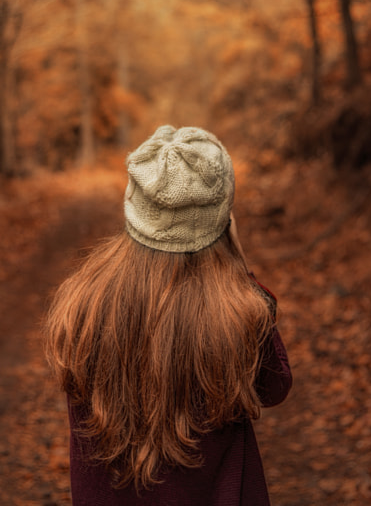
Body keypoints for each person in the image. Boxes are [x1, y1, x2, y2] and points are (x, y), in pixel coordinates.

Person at [44, 125, 292, 505]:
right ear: (223, 219)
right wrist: (240, 268)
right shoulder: (240, 313)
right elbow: (275, 388)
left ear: (135, 206)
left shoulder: (83, 303)